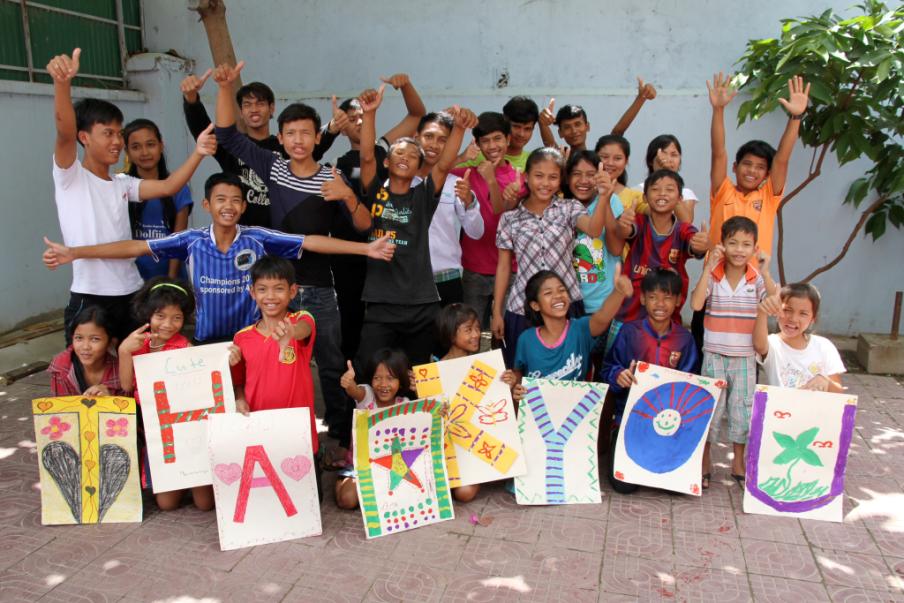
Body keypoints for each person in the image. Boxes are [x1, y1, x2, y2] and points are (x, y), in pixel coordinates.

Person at [42, 172, 395, 344]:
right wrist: (74, 253)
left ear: (243, 207)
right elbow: (134, 247)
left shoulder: (257, 238)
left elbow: (312, 241)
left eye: (236, 201)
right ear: (209, 205)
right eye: (221, 200)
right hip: (207, 343)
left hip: (253, 340)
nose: (229, 206)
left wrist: (366, 249)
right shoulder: (192, 241)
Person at [212, 60, 369, 445]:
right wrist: (225, 87)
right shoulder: (273, 166)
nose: (298, 139)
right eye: (290, 133)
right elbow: (227, 135)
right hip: (275, 287)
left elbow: (364, 227)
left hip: (318, 286)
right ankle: (267, 430)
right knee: (269, 360)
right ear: (280, 138)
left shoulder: (331, 177)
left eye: (306, 133)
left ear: (319, 137)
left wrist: (347, 196)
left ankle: (338, 438)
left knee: (331, 364)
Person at [47, 48, 216, 344]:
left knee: (135, 376)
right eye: (108, 134)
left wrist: (199, 152)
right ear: (84, 138)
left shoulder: (123, 183)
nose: (117, 142)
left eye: (118, 134)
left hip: (131, 293)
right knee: (88, 377)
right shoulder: (71, 177)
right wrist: (62, 84)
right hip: (91, 295)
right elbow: (64, 132)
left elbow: (168, 187)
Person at [353, 85, 473, 373]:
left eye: (412, 155)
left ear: (420, 164)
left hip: (422, 304)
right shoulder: (375, 194)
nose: (405, 158)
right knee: (369, 371)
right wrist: (369, 115)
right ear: (387, 161)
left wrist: (458, 128)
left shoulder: (424, 197)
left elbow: (443, 165)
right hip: (381, 303)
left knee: (421, 377)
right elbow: (366, 157)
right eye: (399, 153)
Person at [492, 147, 617, 367]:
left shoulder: (569, 208)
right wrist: (497, 312)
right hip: (522, 308)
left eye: (553, 177)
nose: (545, 183)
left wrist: (605, 197)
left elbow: (595, 230)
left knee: (569, 369)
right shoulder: (510, 219)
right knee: (523, 372)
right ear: (526, 177)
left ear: (561, 180)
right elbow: (503, 268)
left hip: (565, 304)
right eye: (539, 176)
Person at [180, 70, 345, 228]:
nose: (254, 109)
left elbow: (315, 143)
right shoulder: (233, 146)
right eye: (247, 104)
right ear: (240, 111)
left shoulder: (287, 146)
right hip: (241, 236)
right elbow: (203, 128)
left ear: (272, 108)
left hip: (279, 236)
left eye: (260, 103)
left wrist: (333, 127)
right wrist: (191, 98)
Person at [117, 277, 217, 510]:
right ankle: (178, 481)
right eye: (160, 316)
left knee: (204, 505)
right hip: (156, 430)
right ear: (147, 315)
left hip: (186, 430)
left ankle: (197, 479)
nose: (168, 324)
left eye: (177, 318)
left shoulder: (185, 348)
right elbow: (125, 385)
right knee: (166, 505)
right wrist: (123, 351)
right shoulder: (135, 344)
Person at [230, 256, 323, 500]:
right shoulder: (242, 338)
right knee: (266, 500)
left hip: (298, 432)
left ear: (293, 291)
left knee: (309, 501)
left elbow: (304, 329)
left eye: (279, 289)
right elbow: (238, 380)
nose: (270, 296)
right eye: (262, 289)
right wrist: (239, 399)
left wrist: (289, 332)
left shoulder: (302, 320)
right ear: (252, 292)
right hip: (259, 429)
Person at [690, 216, 773, 487]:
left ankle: (738, 461)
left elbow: (775, 301)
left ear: (755, 248)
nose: (739, 249)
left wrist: (767, 270)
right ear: (722, 245)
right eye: (733, 242)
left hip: (745, 357)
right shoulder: (714, 276)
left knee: (742, 410)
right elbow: (697, 303)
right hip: (714, 353)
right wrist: (707, 268)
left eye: (746, 244)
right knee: (712, 408)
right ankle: (705, 459)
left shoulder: (757, 279)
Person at [601, 268, 700, 493]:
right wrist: (619, 375)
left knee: (675, 487)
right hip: (630, 418)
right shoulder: (629, 332)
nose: (660, 303)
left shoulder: (684, 339)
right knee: (623, 486)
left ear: (677, 301)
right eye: (653, 297)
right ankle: (619, 440)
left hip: (669, 424)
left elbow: (691, 381)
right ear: (643, 299)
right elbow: (608, 368)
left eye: (667, 297)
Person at [606, 169, 709, 350]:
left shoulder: (683, 230)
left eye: (669, 189)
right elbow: (625, 231)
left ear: (679, 199)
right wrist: (622, 225)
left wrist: (700, 245)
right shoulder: (637, 221)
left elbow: (695, 245)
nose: (662, 193)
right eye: (655, 189)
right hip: (629, 315)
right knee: (615, 366)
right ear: (645, 197)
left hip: (666, 320)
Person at [452, 113, 522, 329]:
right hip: (474, 269)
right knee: (472, 334)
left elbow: (501, 212)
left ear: (508, 140)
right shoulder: (467, 173)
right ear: (478, 144)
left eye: (497, 138)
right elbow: (434, 170)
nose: (492, 146)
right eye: (485, 140)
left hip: (510, 268)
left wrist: (491, 179)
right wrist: (463, 156)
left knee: (506, 333)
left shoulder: (519, 177)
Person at [511, 268, 632, 382]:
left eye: (562, 290)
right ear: (535, 305)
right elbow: (518, 375)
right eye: (548, 293)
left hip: (579, 403)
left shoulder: (581, 329)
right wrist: (515, 386)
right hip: (538, 404)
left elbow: (603, 317)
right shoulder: (526, 339)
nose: (558, 295)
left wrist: (618, 292)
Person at [567, 151, 627, 375]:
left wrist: (605, 197)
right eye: (576, 174)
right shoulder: (561, 205)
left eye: (590, 174)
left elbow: (615, 247)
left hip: (604, 305)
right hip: (572, 308)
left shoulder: (611, 200)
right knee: (576, 371)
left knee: (605, 372)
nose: (583, 181)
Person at [416, 112, 484, 306]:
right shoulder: (398, 183)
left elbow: (476, 232)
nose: (434, 145)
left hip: (447, 279)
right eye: (428, 137)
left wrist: (469, 202)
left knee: (448, 336)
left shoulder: (456, 185)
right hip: (408, 281)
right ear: (416, 137)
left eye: (443, 140)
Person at [335, 348, 412, 509]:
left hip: (389, 469)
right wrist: (349, 384)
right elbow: (355, 391)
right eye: (377, 378)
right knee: (347, 500)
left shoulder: (404, 404)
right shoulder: (367, 396)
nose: (383, 384)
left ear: (401, 381)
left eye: (390, 378)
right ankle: (341, 481)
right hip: (360, 467)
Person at [122, 119, 193, 280]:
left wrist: (170, 280)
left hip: (170, 279)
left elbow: (179, 240)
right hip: (130, 281)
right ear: (127, 152)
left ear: (161, 146)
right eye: (136, 147)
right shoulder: (121, 186)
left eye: (150, 144)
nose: (145, 152)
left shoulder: (178, 188)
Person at [754, 283, 845, 392]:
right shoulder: (772, 344)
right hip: (782, 408)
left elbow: (839, 392)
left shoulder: (824, 346)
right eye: (787, 310)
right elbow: (759, 346)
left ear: (813, 319)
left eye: (803, 313)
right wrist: (762, 311)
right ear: (777, 311)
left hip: (818, 408)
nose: (793, 318)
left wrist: (826, 382)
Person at [537, 78, 657, 154]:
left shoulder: (599, 158)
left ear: (587, 126)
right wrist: (542, 123)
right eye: (567, 127)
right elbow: (550, 145)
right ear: (560, 133)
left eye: (578, 124)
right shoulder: (561, 158)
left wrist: (641, 98)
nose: (574, 131)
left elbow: (618, 131)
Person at [48, 306, 121, 397]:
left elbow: (132, 407)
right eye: (79, 338)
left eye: (95, 339)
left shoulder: (122, 368)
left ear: (111, 343)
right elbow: (60, 408)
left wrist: (111, 400)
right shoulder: (61, 368)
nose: (85, 347)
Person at [458, 96, 540, 171]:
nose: (521, 134)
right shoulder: (480, 156)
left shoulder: (534, 161)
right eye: (516, 127)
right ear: (505, 123)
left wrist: (544, 126)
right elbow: (446, 172)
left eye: (528, 129)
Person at [635, 134, 697, 223]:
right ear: (650, 161)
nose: (669, 160)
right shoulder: (637, 190)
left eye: (674, 155)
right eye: (663, 154)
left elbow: (686, 221)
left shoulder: (686, 193)